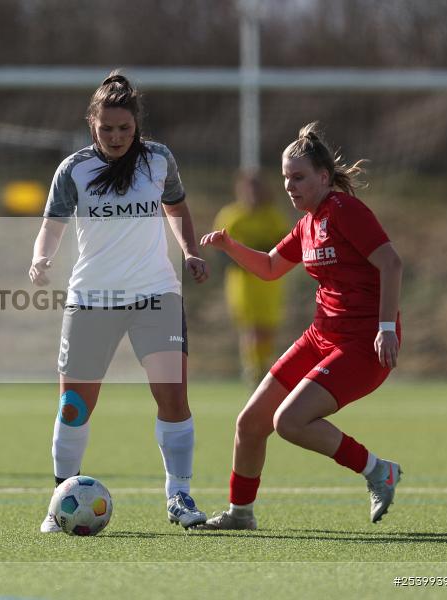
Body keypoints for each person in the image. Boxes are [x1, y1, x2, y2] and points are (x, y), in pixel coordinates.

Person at [198, 122, 403, 529]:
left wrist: (386, 327)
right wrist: (229, 245)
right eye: (286, 178)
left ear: (323, 177)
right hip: (321, 336)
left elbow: (391, 263)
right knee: (250, 423)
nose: (290, 186)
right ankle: (240, 514)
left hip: (363, 344)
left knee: (289, 421)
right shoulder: (307, 223)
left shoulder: (344, 210)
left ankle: (378, 470)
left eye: (299, 177)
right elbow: (271, 267)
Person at [29, 72, 210, 532]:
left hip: (156, 294)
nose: (115, 136)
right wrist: (40, 258)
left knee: (173, 397)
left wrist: (190, 251)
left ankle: (179, 496)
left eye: (124, 128)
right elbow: (52, 224)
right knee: (74, 405)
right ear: (92, 124)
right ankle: (60, 501)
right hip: (92, 298)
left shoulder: (158, 160)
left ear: (137, 126)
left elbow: (176, 207)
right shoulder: (74, 169)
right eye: (106, 128)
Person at [212, 171, 289, 386]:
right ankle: (253, 371)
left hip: (269, 281)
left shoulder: (272, 216)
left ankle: (264, 365)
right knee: (251, 328)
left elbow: (284, 245)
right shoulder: (231, 217)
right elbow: (220, 251)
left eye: (256, 188)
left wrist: (262, 256)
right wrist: (244, 260)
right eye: (248, 189)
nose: (252, 193)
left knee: (267, 328)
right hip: (242, 282)